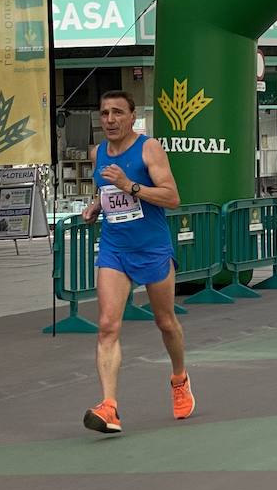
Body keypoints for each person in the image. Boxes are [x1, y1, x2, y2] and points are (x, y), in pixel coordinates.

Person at [80, 90, 194, 435]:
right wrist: (95, 206)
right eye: (104, 113)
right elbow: (106, 191)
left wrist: (130, 185)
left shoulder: (149, 149)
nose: (110, 119)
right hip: (115, 247)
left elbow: (172, 198)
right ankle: (109, 406)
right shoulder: (98, 152)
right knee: (107, 325)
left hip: (152, 247)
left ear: (132, 117)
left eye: (117, 112)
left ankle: (179, 378)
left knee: (165, 322)